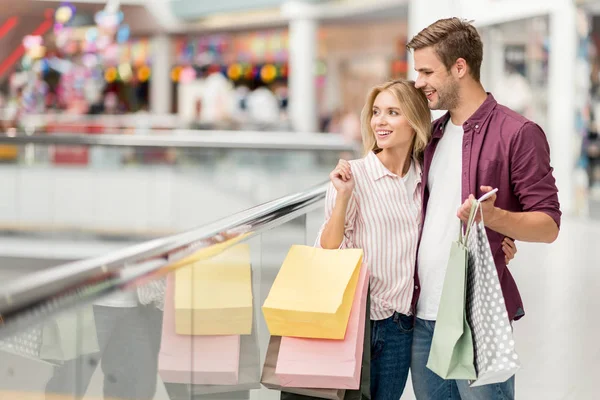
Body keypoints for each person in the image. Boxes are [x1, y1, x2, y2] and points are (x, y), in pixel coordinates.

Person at [316, 79, 518, 399]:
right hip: (358, 324)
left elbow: (449, 227)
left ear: (414, 121)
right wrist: (342, 198)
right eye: (376, 112)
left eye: (392, 112)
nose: (380, 121)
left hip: (402, 328)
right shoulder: (354, 175)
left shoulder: (424, 177)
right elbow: (327, 247)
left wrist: (499, 242)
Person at [406, 18, 561, 399]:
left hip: (478, 317)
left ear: (459, 67)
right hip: (424, 318)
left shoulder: (518, 133)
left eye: (427, 71)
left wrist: (495, 219)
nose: (418, 82)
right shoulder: (432, 135)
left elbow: (548, 225)